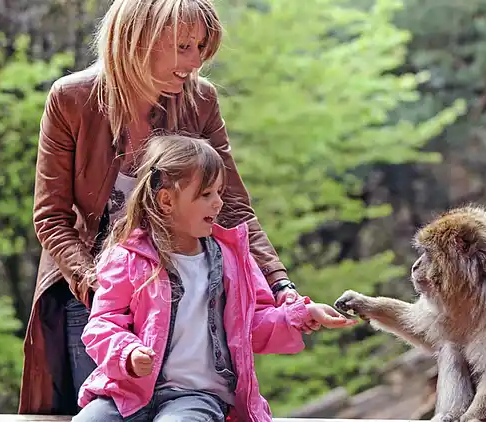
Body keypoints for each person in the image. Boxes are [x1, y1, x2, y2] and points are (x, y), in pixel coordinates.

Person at [19, 0, 313, 415]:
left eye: (201, 48)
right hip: (95, 298)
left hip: (183, 289)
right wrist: (100, 286)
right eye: (183, 47)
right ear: (137, 39)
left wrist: (281, 286)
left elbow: (232, 207)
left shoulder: (200, 100)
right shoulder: (71, 99)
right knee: (108, 409)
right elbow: (51, 218)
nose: (195, 62)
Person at [70, 134, 355, 422]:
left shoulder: (233, 260)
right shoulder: (127, 257)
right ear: (166, 200)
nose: (218, 203)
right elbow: (102, 323)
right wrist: (128, 353)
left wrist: (301, 314)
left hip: (196, 396)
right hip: (128, 392)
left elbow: (251, 324)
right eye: (206, 195)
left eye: (219, 192)